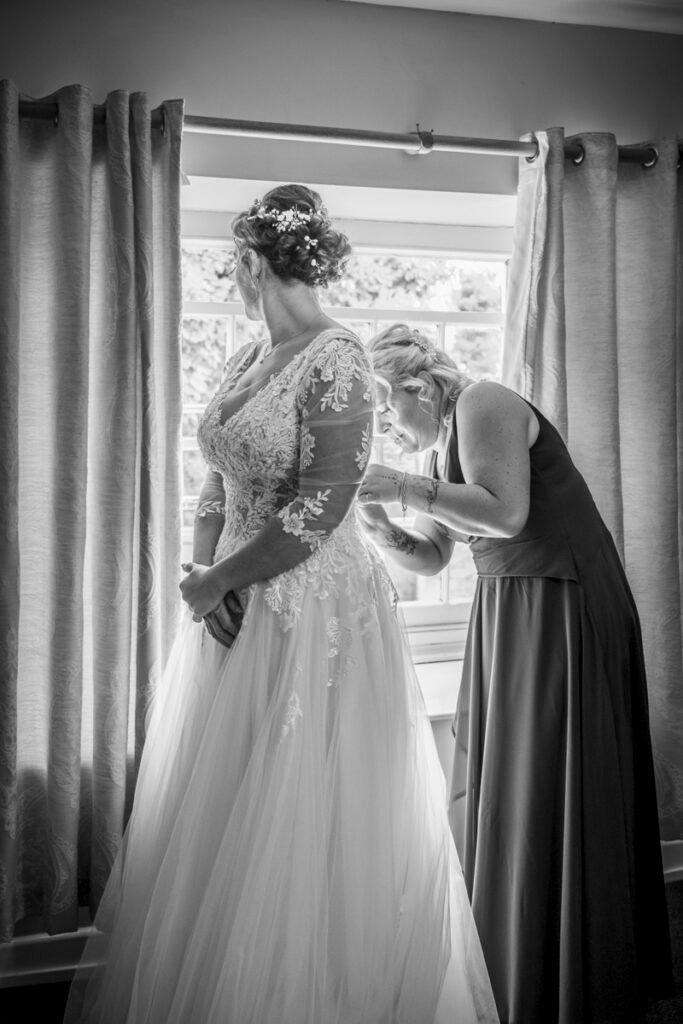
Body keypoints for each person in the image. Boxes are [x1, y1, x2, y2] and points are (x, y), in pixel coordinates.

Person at [64, 188, 499, 1024]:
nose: (232, 280)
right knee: (219, 803)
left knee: (299, 809)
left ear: (253, 263)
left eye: (233, 266)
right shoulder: (246, 357)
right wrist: (203, 572)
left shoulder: (336, 358)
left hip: (311, 607)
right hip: (228, 596)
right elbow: (216, 476)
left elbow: (319, 507)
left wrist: (221, 581)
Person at [356, 323, 674, 1024]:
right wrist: (380, 527)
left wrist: (399, 483)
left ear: (416, 387)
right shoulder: (442, 449)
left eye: (386, 408)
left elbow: (505, 514)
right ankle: (522, 956)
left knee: (555, 780)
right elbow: (434, 558)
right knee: (519, 785)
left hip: (562, 600)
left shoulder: (485, 402)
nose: (386, 425)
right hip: (510, 605)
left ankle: (578, 970)